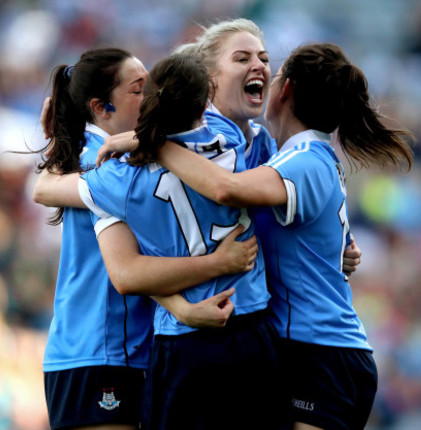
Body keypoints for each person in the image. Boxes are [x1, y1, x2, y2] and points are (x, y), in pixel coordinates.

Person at [156, 42, 415, 429]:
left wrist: (156, 144)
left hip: (321, 352)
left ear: (287, 88)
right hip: (314, 351)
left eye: (273, 72)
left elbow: (226, 188)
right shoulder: (296, 156)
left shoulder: (305, 160)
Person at [33, 47, 259, 430]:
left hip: (120, 352)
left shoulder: (128, 157)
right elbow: (127, 270)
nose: (153, 94)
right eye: (139, 89)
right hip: (102, 352)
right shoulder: (103, 165)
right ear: (102, 108)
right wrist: (212, 270)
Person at [97, 19, 363, 276]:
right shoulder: (159, 147)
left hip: (255, 316)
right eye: (242, 59)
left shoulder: (273, 153)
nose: (259, 66)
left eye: (265, 59)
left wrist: (332, 247)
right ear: (208, 78)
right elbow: (129, 265)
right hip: (185, 318)